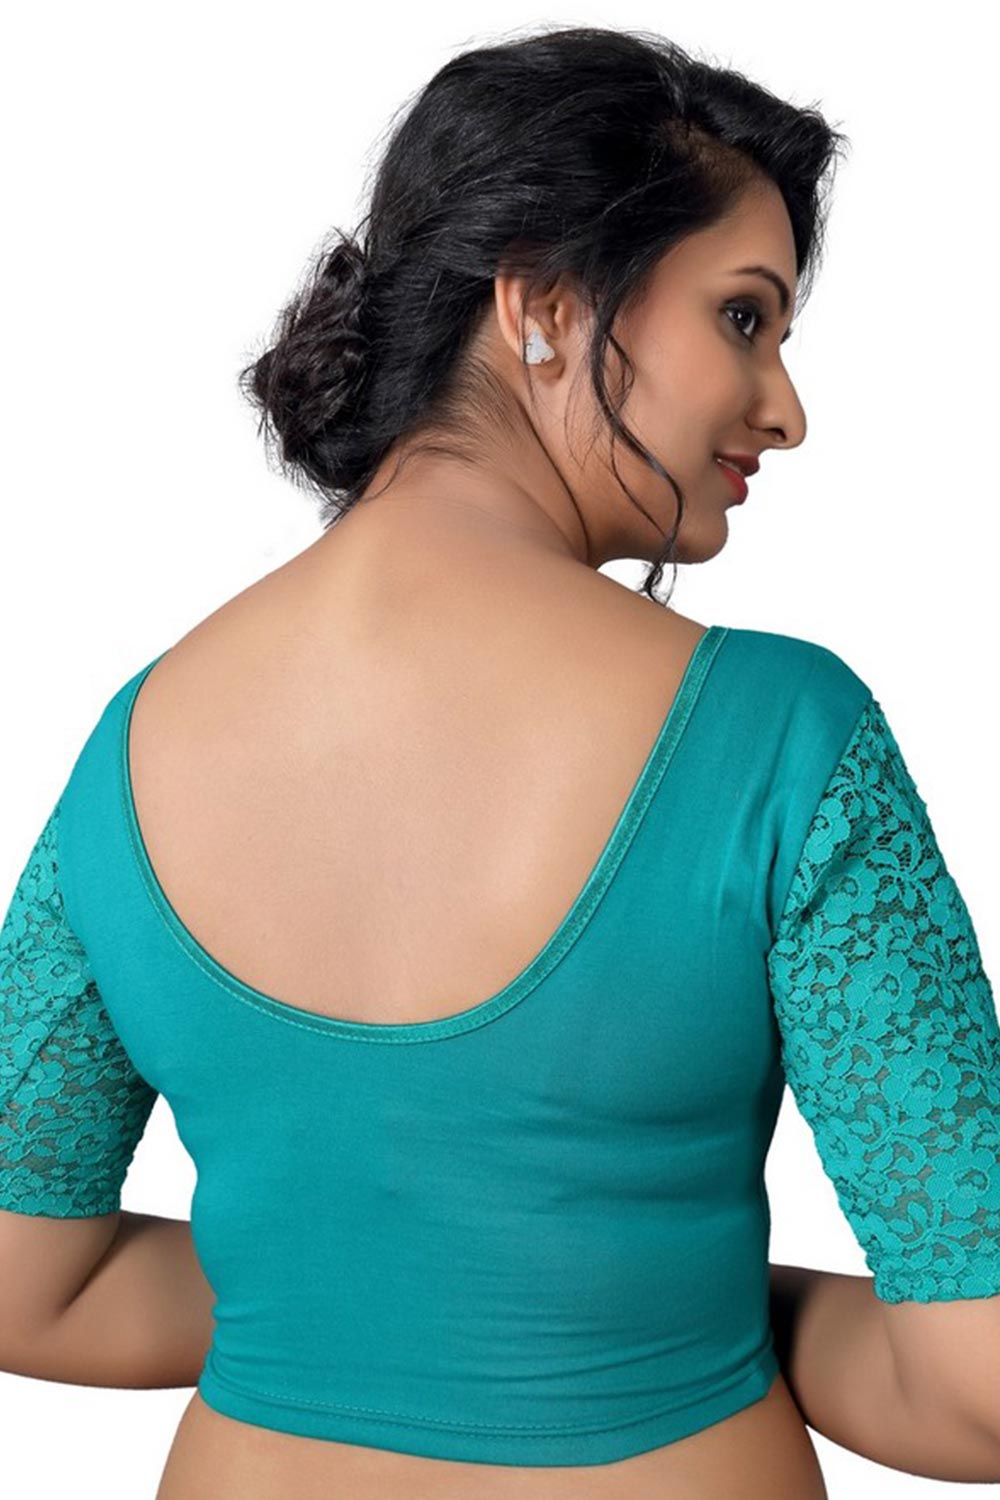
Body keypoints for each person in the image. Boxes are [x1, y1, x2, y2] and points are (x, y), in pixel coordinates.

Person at [2, 23, 999, 1500]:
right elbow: (980, 1389)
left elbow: (32, 1289)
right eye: (743, 316)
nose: (786, 407)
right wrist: (664, 1303)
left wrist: (372, 1298)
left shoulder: (133, 745)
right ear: (543, 301)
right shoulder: (782, 739)